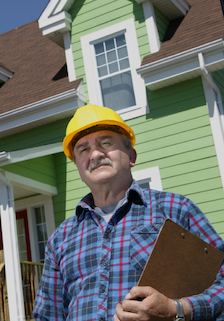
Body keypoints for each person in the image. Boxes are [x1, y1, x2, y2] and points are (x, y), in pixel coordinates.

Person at [33, 104, 224, 321]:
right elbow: (47, 316)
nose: (95, 153)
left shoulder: (175, 210)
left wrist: (176, 309)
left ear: (131, 156)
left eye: (105, 143)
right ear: (78, 166)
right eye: (83, 149)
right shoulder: (61, 239)